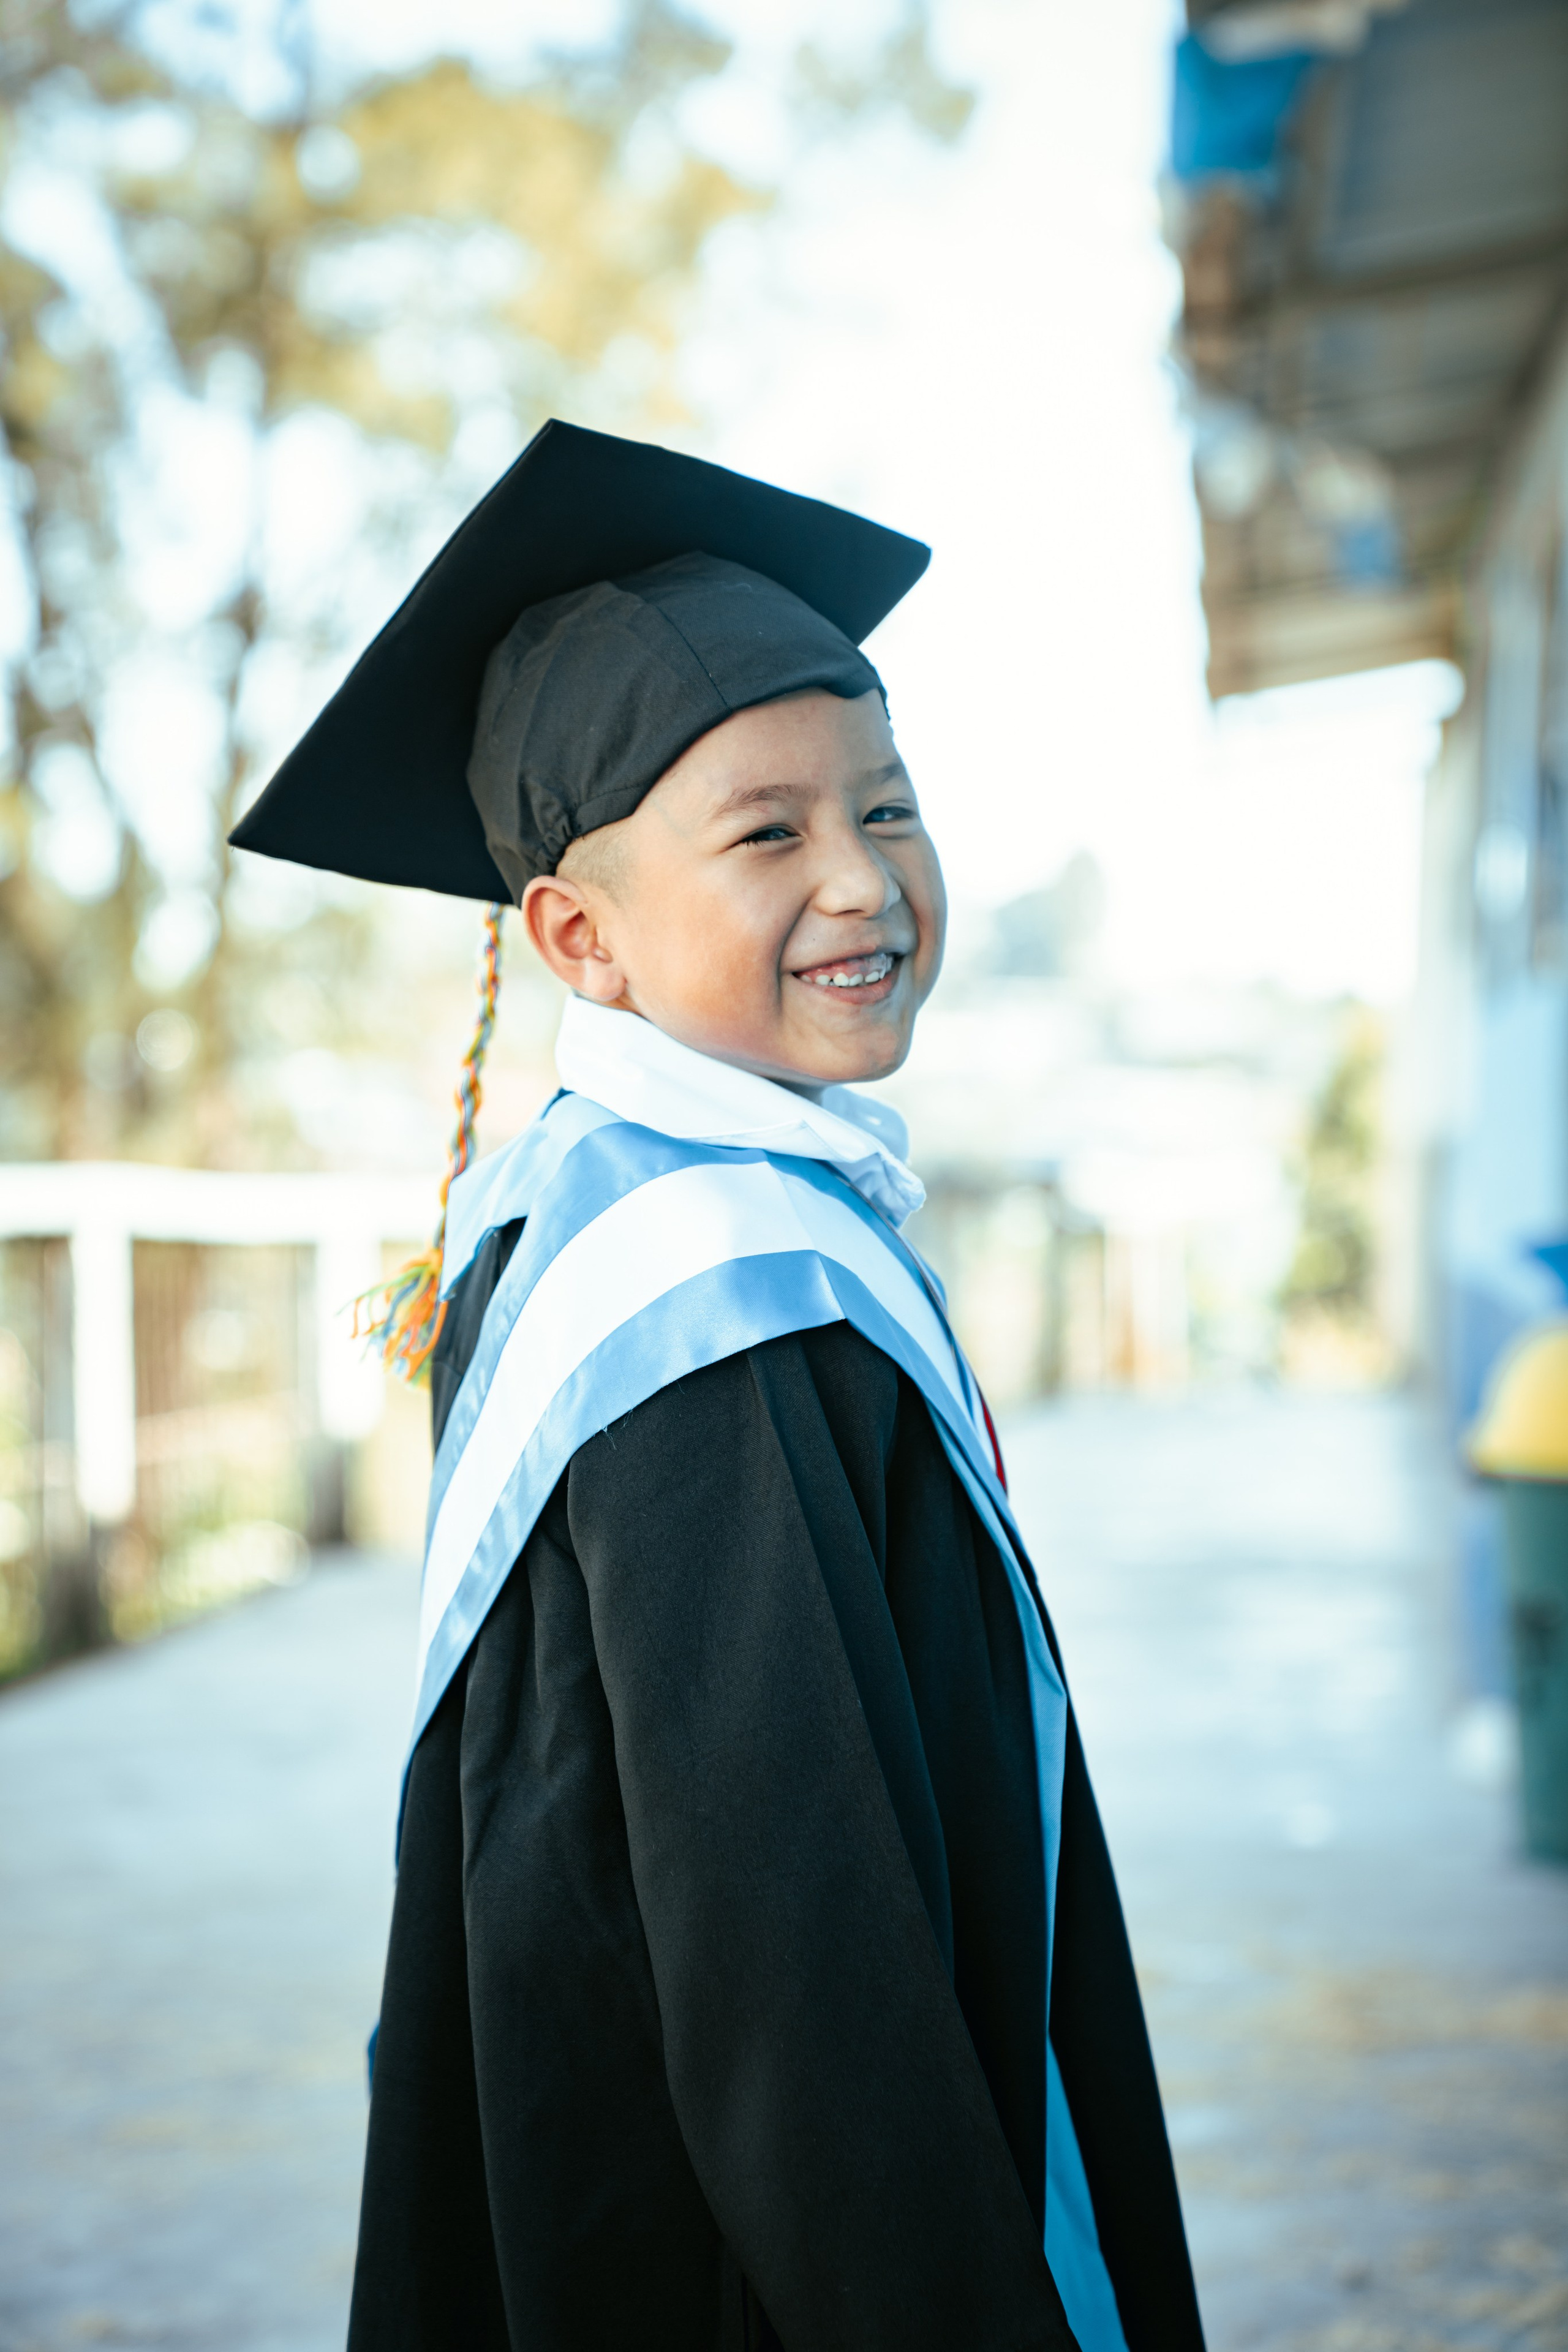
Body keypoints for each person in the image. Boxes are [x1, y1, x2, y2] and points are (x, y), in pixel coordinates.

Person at [232, 421, 1205, 2352]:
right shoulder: (708, 1301)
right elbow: (797, 1964)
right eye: (766, 831)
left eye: (889, 805)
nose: (862, 879)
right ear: (577, 938)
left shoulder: (618, 1200)